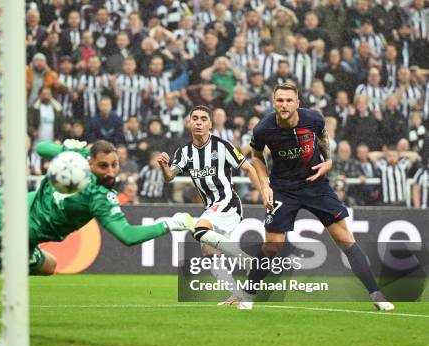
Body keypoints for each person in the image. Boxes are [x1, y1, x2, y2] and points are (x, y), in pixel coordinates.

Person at [0, 139, 194, 275]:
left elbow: (41, 147)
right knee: (48, 266)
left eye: (114, 165)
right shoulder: (100, 196)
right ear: (92, 163)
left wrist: (68, 147)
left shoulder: (75, 161)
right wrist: (170, 223)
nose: (111, 172)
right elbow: (125, 235)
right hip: (18, 232)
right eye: (104, 166)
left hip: (8, 200)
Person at [244, 82, 394, 311]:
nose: (284, 105)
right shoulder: (263, 129)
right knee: (273, 246)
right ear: (273, 103)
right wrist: (264, 185)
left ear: (297, 103)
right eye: (279, 100)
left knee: (344, 239)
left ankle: (376, 295)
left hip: (315, 184)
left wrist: (329, 161)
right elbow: (256, 156)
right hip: (283, 187)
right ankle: (247, 295)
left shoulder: (314, 119)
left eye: (288, 100)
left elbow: (323, 140)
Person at [157, 105, 265, 306]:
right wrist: (164, 167)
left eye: (203, 119)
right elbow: (170, 177)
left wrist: (265, 195)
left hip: (228, 202)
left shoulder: (222, 146)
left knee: (199, 229)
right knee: (208, 251)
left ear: (210, 124)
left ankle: (249, 261)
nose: (199, 122)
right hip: (211, 206)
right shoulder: (185, 152)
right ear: (189, 123)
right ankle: (238, 294)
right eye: (195, 118)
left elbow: (249, 169)